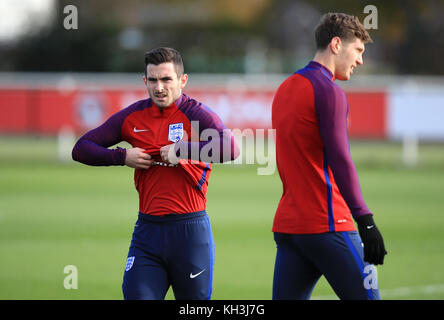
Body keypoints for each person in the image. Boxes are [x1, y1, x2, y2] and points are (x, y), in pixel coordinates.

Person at [72, 47, 239, 300]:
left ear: (183, 80)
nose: (159, 87)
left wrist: (182, 150)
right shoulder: (132, 116)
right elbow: (81, 148)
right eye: (153, 80)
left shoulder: (197, 115)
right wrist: (122, 157)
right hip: (147, 234)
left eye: (166, 79)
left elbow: (232, 148)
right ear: (144, 81)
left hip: (190, 236)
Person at [271, 13, 387, 300]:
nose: (360, 60)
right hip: (328, 224)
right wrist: (365, 219)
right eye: (358, 50)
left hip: (289, 228)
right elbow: (339, 158)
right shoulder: (329, 92)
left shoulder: (284, 88)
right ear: (336, 44)